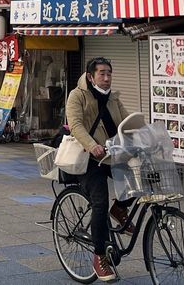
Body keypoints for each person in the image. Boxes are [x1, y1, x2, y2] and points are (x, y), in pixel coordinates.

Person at [66, 57, 134, 283]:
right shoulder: (77, 96)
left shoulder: (113, 97)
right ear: (90, 76)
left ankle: (120, 210)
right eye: (102, 74)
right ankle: (99, 255)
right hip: (89, 158)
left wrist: (147, 137)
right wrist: (92, 145)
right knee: (100, 202)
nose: (106, 78)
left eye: (109, 74)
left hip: (111, 155)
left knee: (134, 185)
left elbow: (128, 122)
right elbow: (75, 125)